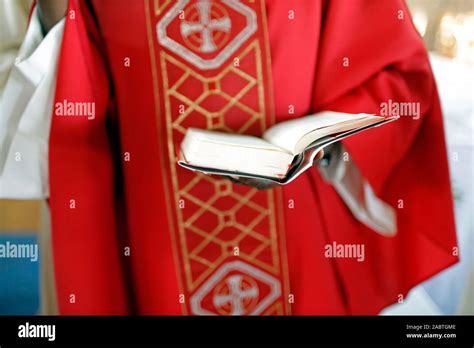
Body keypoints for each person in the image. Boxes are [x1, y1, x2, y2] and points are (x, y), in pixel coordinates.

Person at [0, 0, 458, 315]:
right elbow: (43, 109)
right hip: (148, 246)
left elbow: (398, 77)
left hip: (300, 230)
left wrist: (325, 146)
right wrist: (54, 17)